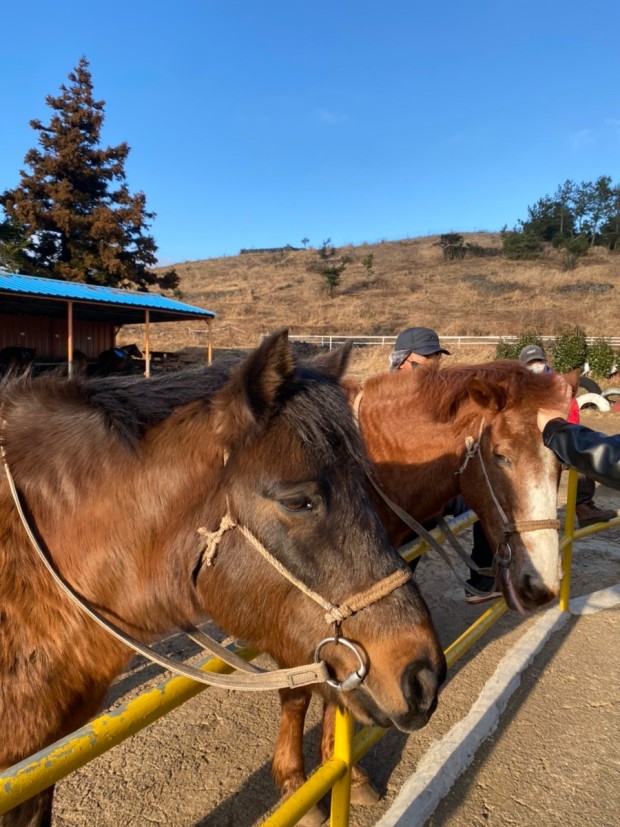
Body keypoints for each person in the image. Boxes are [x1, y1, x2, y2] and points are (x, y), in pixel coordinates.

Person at [390, 326, 497, 600]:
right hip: (398, 496)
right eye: (425, 368)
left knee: (486, 498)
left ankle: (483, 580)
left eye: (436, 369)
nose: (432, 376)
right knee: (414, 530)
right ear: (402, 362)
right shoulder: (385, 401)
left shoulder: (435, 397)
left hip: (433, 486)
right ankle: (395, 593)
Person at [519, 344, 617, 526]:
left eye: (539, 361)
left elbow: (571, 419)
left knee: (582, 460)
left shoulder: (561, 386)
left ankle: (584, 507)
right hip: (529, 442)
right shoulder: (518, 388)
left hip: (555, 436)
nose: (536, 366)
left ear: (545, 362)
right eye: (531, 363)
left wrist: (561, 439)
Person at [537, 379, 620, 490]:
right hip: (569, 435)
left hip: (566, 434)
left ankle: (583, 501)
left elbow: (613, 459)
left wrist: (555, 430)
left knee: (582, 470)